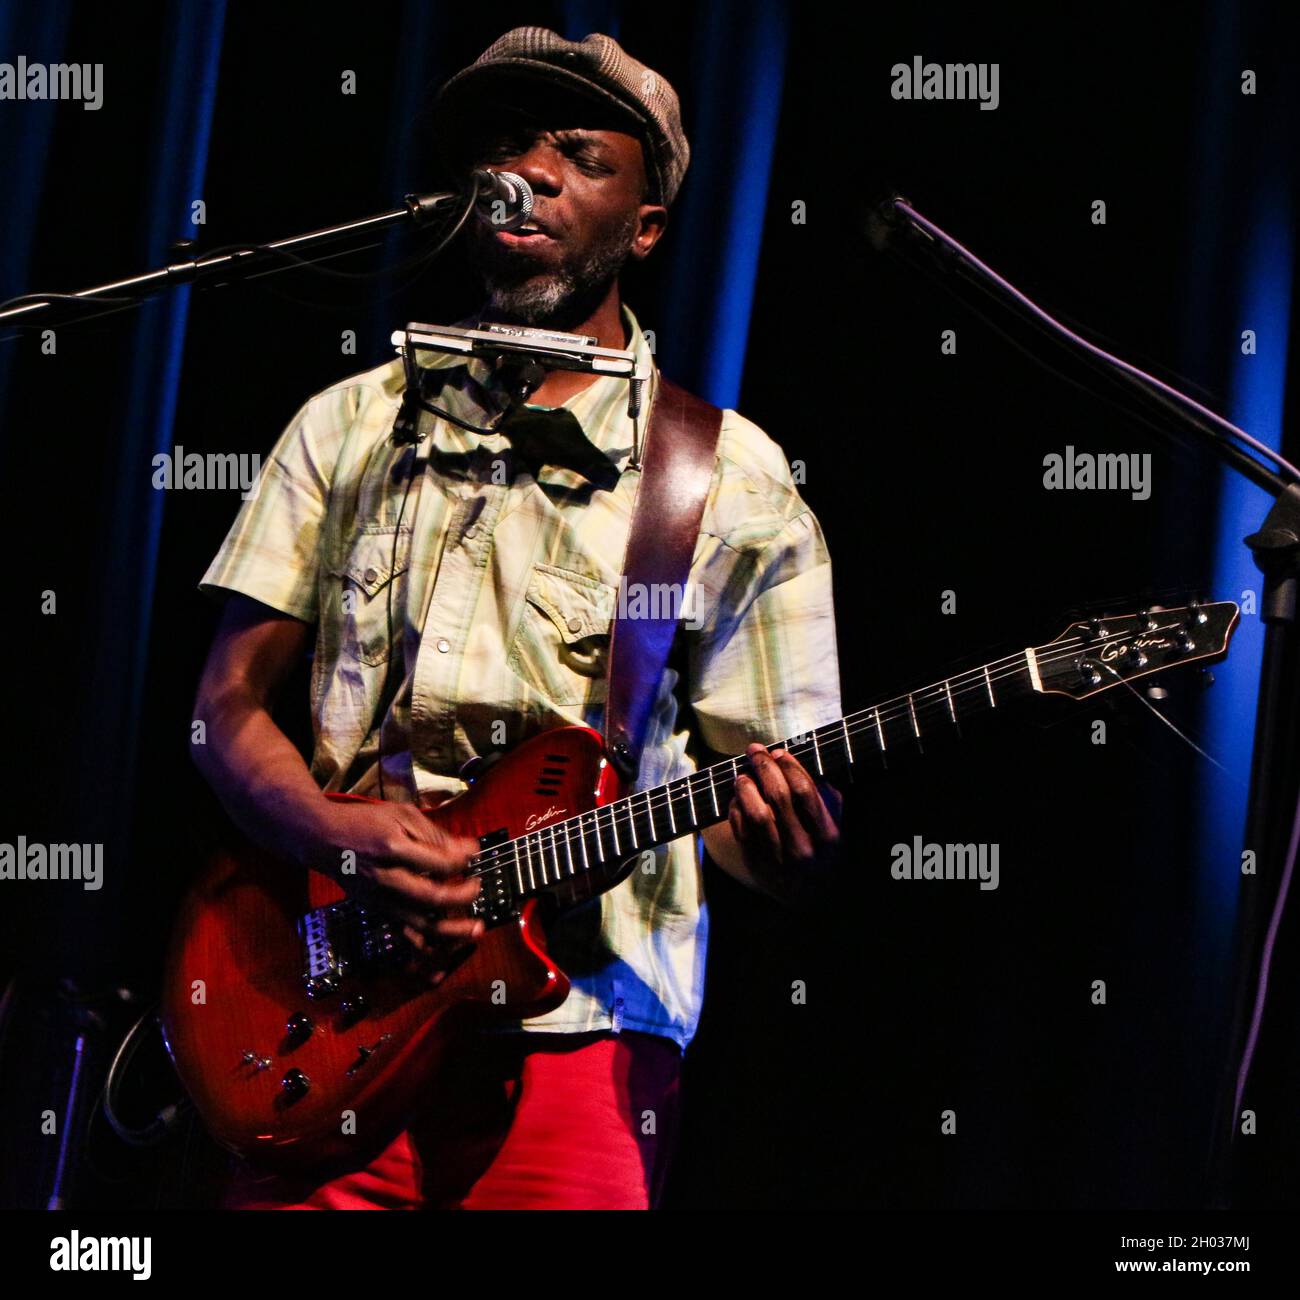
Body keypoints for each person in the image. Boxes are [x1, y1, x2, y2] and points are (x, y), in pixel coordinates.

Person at [191, 26, 842, 1210]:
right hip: (326, 1010)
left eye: (578, 154)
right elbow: (222, 711)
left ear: (645, 225)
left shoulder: (728, 480)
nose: (531, 170)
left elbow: (764, 823)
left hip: (582, 1042)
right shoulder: (349, 423)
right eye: (507, 145)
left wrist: (788, 843)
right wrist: (336, 833)